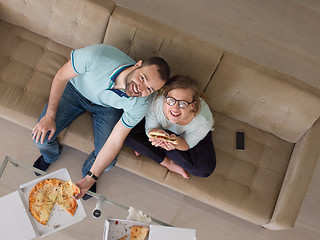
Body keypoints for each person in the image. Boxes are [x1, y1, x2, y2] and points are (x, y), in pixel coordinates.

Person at [32, 44, 170, 199]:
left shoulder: (142, 103)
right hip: (75, 90)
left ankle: (87, 173)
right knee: (42, 139)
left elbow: (115, 140)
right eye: (142, 78)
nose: (140, 89)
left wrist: (91, 177)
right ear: (137, 65)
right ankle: (50, 156)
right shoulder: (96, 56)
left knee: (108, 163)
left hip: (107, 108)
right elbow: (61, 76)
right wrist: (50, 115)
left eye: (149, 89)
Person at [125, 75, 216, 179]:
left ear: (192, 105)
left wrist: (174, 142)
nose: (175, 108)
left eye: (183, 104)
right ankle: (167, 162)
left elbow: (186, 144)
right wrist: (159, 135)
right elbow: (150, 129)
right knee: (124, 133)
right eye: (171, 100)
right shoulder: (156, 102)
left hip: (185, 138)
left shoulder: (203, 122)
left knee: (204, 170)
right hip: (163, 130)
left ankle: (147, 147)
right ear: (165, 98)